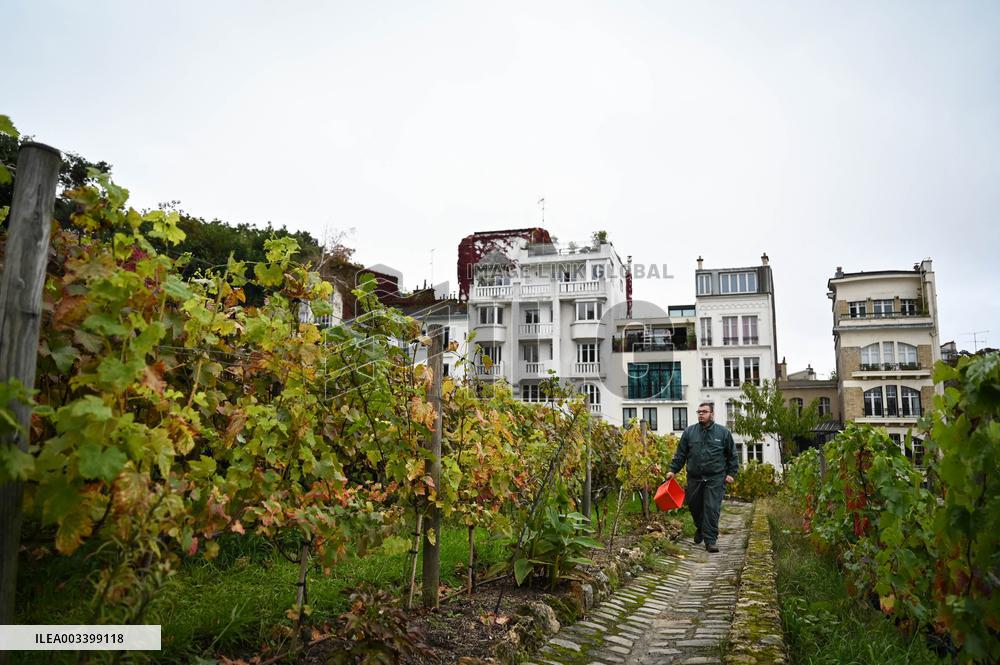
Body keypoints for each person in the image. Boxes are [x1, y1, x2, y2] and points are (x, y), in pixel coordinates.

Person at [666, 402, 738, 553]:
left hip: (715, 478)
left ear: (712, 414)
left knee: (711, 509)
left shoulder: (723, 433)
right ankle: (700, 528)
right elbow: (681, 454)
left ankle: (710, 540)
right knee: (695, 507)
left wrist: (731, 474)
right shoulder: (689, 432)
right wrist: (673, 470)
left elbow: (732, 455)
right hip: (694, 478)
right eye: (699, 412)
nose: (701, 414)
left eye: (704, 412)